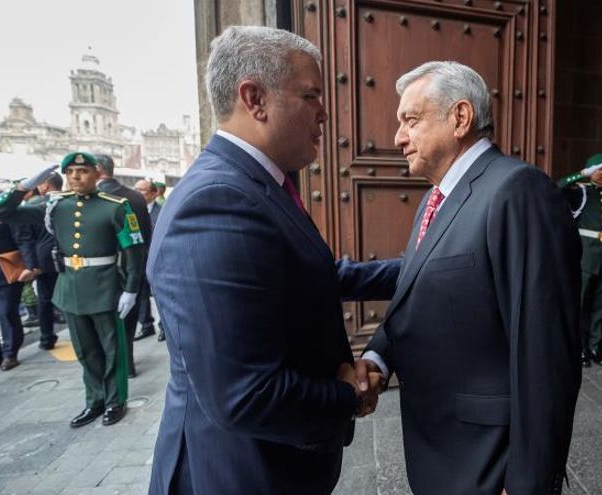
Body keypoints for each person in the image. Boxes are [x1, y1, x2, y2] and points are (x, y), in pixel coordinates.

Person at [147, 26, 398, 495]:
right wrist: (348, 394)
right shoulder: (217, 200)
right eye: (311, 95)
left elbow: (315, 275)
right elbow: (245, 395)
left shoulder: (256, 185)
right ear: (255, 98)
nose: (325, 112)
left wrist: (423, 266)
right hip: (241, 475)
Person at [357, 61, 582, 495]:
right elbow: (418, 292)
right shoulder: (433, 201)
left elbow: (546, 352)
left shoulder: (518, 190)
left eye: (411, 120)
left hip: (489, 461)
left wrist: (527, 482)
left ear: (460, 118)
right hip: (441, 449)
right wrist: (379, 358)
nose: (399, 138)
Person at [0, 151, 145, 426]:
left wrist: (131, 289)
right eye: (70, 172)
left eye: (82, 171)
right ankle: (94, 400)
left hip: (105, 286)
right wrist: (24, 186)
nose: (75, 176)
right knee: (85, 351)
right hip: (71, 287)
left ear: (97, 175)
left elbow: (133, 251)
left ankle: (114, 401)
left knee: (112, 349)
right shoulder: (55, 206)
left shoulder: (115, 206)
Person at [558, 153, 602, 368]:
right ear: (591, 171)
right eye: (600, 169)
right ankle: (579, 349)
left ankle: (595, 348)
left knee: (601, 306)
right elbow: (557, 187)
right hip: (584, 257)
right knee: (579, 305)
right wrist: (581, 175)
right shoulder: (580, 191)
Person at [95, 154, 151, 375]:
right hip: (134, 267)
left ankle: (114, 368)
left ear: (97, 170)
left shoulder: (97, 198)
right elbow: (146, 235)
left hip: (104, 271)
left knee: (105, 326)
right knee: (127, 320)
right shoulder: (136, 197)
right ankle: (126, 363)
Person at [0, 210, 36, 372]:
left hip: (4, 271)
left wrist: (30, 266)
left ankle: (10, 353)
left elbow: (23, 238)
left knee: (6, 312)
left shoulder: (2, 209)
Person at [26, 172, 65, 350]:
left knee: (45, 300)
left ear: (45, 185)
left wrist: (32, 264)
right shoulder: (69, 202)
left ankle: (46, 337)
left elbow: (27, 238)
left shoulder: (33, 206)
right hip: (69, 257)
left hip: (44, 261)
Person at [134, 179, 164, 341]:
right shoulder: (131, 211)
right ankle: (146, 325)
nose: (138, 193)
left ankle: (164, 327)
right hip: (138, 260)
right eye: (136, 189)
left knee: (158, 295)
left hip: (156, 260)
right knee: (142, 294)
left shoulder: (161, 211)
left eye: (142, 190)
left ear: (153, 193)